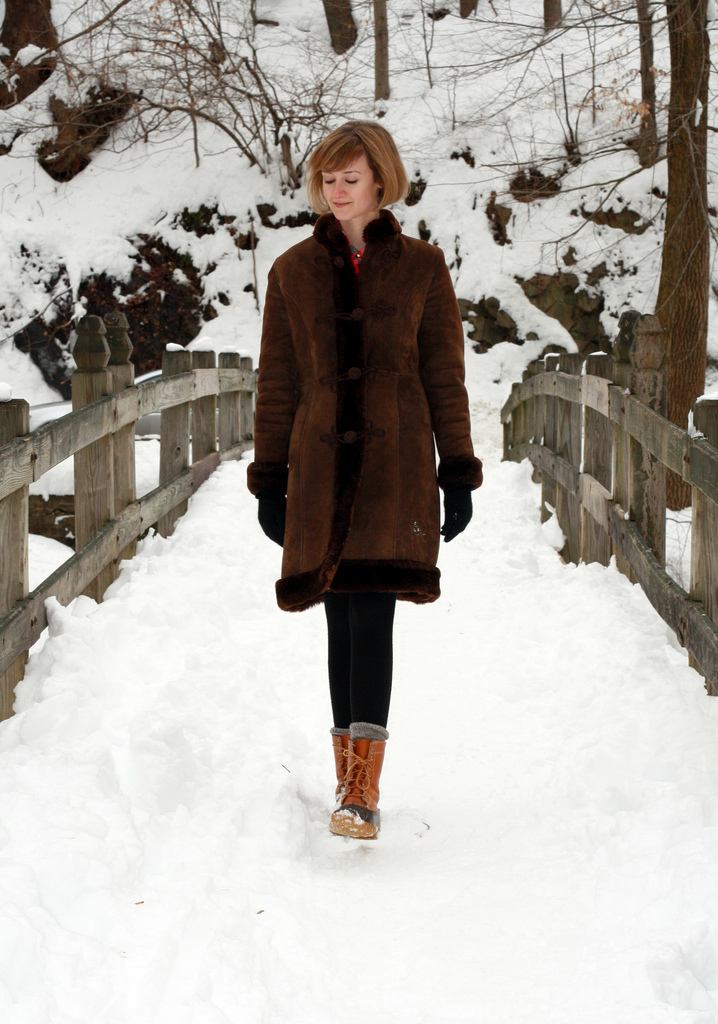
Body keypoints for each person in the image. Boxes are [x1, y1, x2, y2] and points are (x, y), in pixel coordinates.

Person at [247, 121, 482, 840]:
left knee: (372, 611)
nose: (336, 191)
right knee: (337, 615)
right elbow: (276, 382)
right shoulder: (291, 270)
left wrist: (458, 469)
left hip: (395, 467)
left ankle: (361, 793)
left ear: (381, 180)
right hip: (317, 468)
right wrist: (271, 479)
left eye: (350, 178)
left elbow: (444, 374)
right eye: (327, 179)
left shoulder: (422, 266)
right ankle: (349, 779)